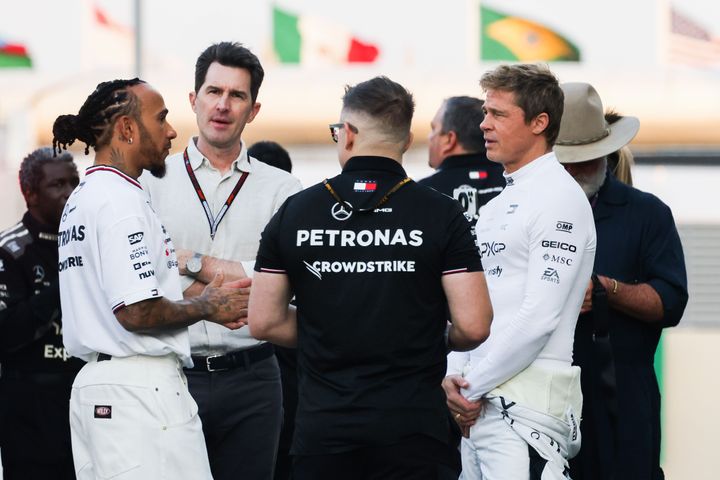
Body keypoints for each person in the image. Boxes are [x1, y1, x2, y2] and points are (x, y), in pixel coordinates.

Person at [247, 75, 493, 480]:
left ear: (347, 134)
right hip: (414, 433)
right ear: (407, 140)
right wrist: (427, 333)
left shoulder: (296, 211)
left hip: (325, 434)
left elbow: (264, 321)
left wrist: (333, 330)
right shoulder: (441, 213)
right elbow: (475, 325)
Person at [52, 78, 249, 479]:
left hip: (99, 387)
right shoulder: (119, 200)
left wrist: (200, 302)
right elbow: (136, 312)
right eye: (161, 119)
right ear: (127, 128)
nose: (171, 131)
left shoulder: (85, 196)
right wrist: (205, 307)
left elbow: (122, 299)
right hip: (139, 390)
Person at [140, 42, 302, 480]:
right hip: (173, 373)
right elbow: (145, 273)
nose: (223, 105)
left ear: (253, 110)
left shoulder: (284, 190)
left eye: (237, 95)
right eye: (214, 91)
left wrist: (190, 263)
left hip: (254, 379)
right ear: (194, 100)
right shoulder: (150, 182)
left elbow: (284, 283)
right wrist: (218, 294)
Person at [444, 64, 596, 479]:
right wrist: (454, 375)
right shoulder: (496, 206)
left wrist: (470, 386)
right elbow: (473, 307)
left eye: (498, 114)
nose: (484, 124)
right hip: (477, 408)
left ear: (539, 123)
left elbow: (540, 316)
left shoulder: (560, 197)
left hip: (525, 412)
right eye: (485, 112)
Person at [554, 82, 688, 480]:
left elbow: (670, 302)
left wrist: (606, 290)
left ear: (604, 153)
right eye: (564, 161)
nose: (572, 170)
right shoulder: (525, 211)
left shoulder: (647, 214)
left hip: (622, 401)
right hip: (545, 400)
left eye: (583, 160)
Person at [0, 148, 82, 479]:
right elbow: (5, 333)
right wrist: (65, 281)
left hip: (85, 399)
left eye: (74, 182)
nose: (69, 192)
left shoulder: (90, 244)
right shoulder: (11, 250)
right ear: (30, 193)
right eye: (57, 185)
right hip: (29, 410)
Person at [418, 96, 505, 227]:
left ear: (449, 139)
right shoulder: (516, 182)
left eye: (434, 128)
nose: (429, 137)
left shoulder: (420, 194)